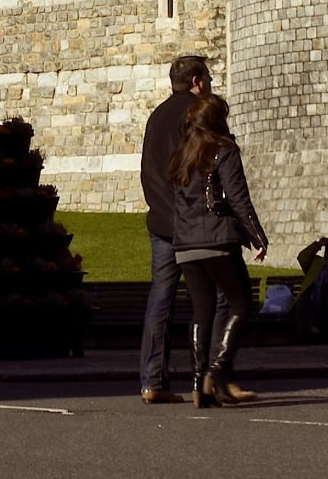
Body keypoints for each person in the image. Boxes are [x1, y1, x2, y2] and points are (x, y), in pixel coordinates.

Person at [169, 92, 269, 408]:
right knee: (241, 304)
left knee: (202, 311)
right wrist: (257, 235)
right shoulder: (223, 151)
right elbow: (238, 198)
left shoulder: (181, 154)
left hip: (185, 244)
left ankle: (199, 382)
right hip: (217, 240)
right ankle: (217, 369)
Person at [136, 53, 210, 403]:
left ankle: (152, 381)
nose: (210, 85)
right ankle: (207, 378)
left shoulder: (155, 116)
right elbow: (202, 168)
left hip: (160, 221)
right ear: (196, 82)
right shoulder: (195, 115)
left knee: (160, 301)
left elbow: (148, 169)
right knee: (209, 300)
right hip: (189, 221)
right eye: (207, 79)